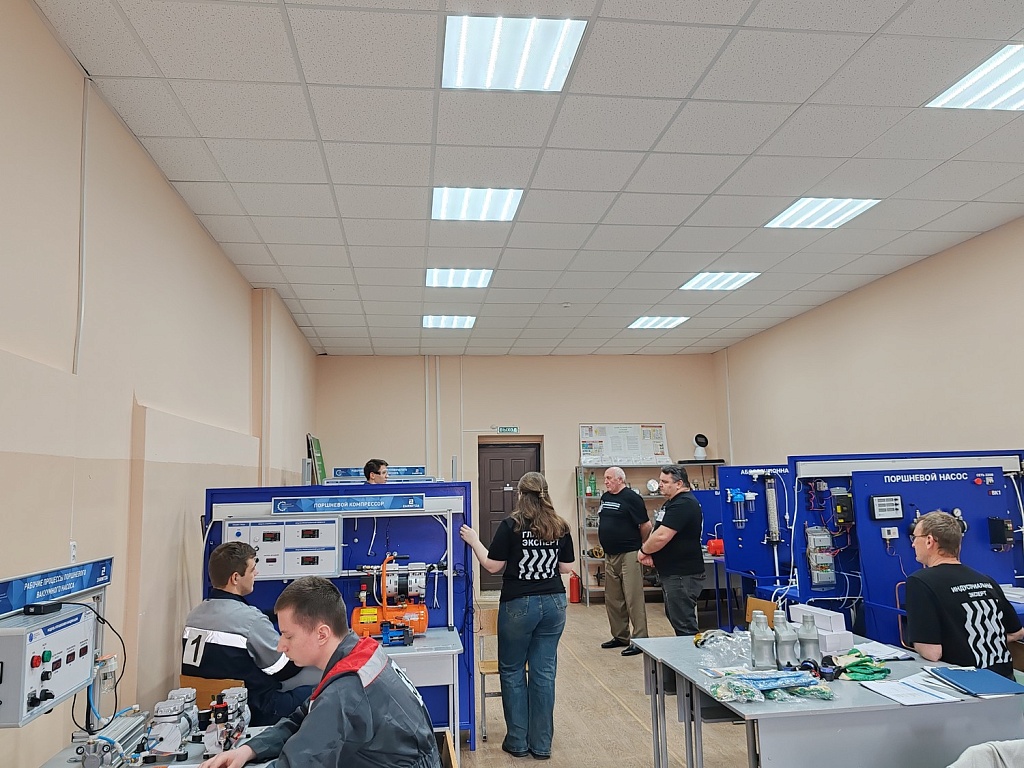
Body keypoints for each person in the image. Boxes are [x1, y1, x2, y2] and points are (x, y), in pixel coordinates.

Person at [199, 576, 441, 768]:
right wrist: (249, 750)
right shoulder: (358, 653)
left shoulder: (346, 690)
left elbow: (298, 763)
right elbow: (304, 716)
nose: (280, 646)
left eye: (288, 636)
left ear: (322, 634)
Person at [460, 471, 574, 760]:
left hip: (518, 604)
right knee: (543, 672)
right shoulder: (560, 525)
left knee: (512, 670)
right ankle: (542, 744)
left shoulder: (511, 525)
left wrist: (474, 540)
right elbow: (566, 568)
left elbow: (492, 566)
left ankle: (518, 742)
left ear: (521, 494)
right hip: (554, 603)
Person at [182, 542, 317, 725]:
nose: (256, 573)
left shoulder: (194, 616)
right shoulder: (251, 620)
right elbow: (283, 670)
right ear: (235, 578)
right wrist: (308, 646)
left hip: (207, 709)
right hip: (254, 710)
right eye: (252, 569)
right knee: (322, 691)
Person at [905, 511, 1024, 679]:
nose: (912, 544)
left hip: (966, 685)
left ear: (929, 541)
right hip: (1006, 682)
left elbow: (931, 652)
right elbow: (1017, 632)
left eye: (914, 538)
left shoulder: (920, 582)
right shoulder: (986, 580)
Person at [638, 465, 704, 636]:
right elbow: (657, 530)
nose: (660, 485)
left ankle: (690, 653)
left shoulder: (684, 504)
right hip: (673, 572)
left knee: (684, 624)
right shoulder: (672, 503)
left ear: (679, 483)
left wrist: (644, 551)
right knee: (676, 618)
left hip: (682, 574)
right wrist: (653, 552)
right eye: (660, 481)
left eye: (665, 481)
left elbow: (662, 536)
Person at [597, 466, 651, 656]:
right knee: (613, 598)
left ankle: (640, 639)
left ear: (620, 479)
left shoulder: (632, 498)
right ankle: (620, 636)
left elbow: (646, 525)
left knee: (633, 597)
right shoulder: (605, 498)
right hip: (609, 554)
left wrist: (642, 545)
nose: (606, 481)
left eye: (609, 478)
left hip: (629, 553)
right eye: (605, 478)